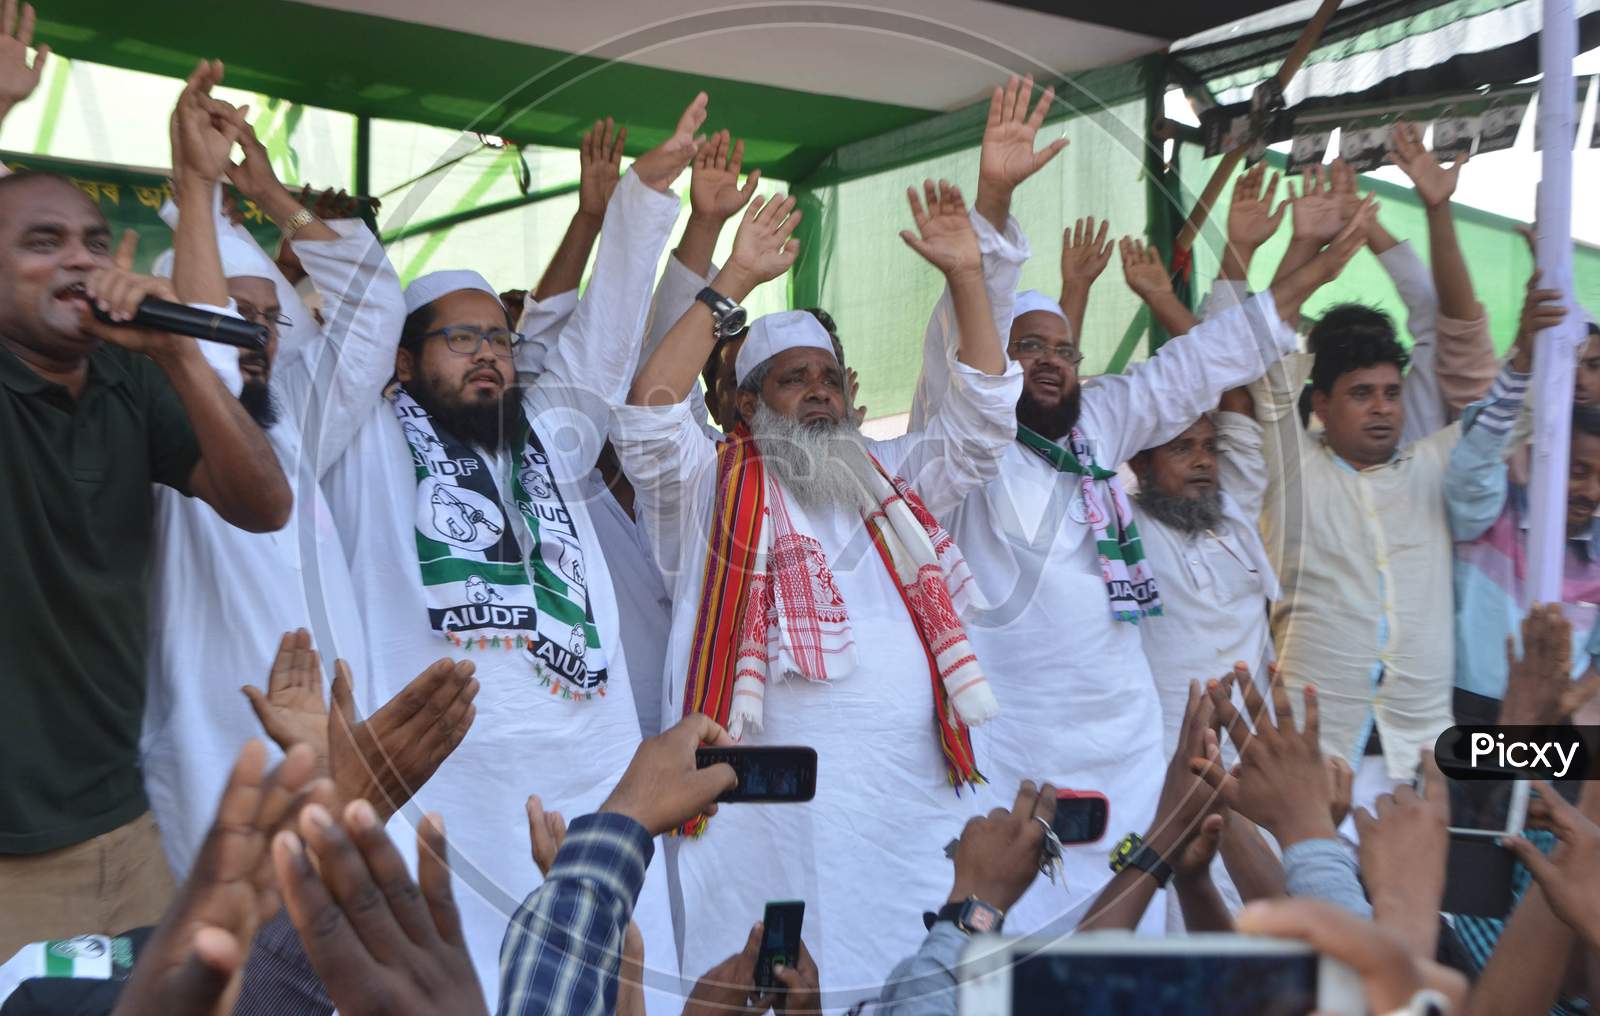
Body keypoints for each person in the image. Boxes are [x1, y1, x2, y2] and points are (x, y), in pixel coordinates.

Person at [909, 92, 1368, 939]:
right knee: (1023, 945)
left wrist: (1309, 272)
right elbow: (965, 352)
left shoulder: (1098, 421)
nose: (1048, 363)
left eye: (1062, 350)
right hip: (1019, 741)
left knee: (1138, 939)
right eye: (1026, 347)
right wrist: (996, 203)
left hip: (1123, 739)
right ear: (992, 357)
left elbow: (1201, 364)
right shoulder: (964, 443)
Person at [316, 94, 705, 1007]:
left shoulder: (546, 437)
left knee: (605, 977)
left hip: (586, 765)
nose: (488, 354)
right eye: (460, 339)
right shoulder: (362, 442)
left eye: (498, 336)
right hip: (448, 778)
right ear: (402, 362)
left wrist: (647, 195)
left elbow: (607, 342)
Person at [614, 168, 1018, 999]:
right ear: (747, 403)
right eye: (795, 380)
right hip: (766, 825)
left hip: (901, 809)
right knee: (764, 986)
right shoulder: (704, 488)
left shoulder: (894, 482)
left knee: (908, 983)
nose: (820, 394)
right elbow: (651, 414)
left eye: (829, 378)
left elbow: (980, 427)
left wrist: (969, 278)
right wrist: (732, 282)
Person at [0, 59, 291, 956]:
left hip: (119, 827)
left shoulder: (131, 373)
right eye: (40, 243)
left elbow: (262, 501)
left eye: (90, 239)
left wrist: (173, 355)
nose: (78, 259)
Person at [139, 92, 403, 881]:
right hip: (210, 752)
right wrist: (197, 187)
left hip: (332, 750)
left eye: (264, 316)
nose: (250, 334)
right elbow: (204, 359)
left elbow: (374, 309)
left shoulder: (293, 431)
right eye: (227, 313)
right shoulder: (157, 437)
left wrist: (268, 198)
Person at [1446, 278, 1600, 718]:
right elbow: (1473, 464)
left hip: (1552, 733)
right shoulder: (1494, 509)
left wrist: (1558, 709)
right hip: (1467, 715)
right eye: (1576, 472)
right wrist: (1525, 361)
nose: (1589, 491)